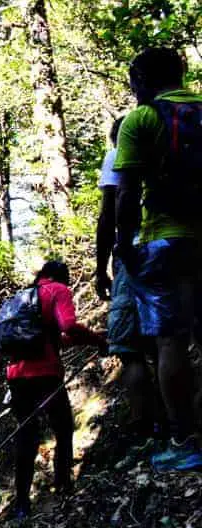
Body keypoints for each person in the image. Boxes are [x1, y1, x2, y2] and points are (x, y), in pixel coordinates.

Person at [113, 46, 202, 471]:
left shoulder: (143, 118)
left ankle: (184, 439)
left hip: (163, 240)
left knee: (170, 341)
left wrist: (124, 246)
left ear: (141, 79)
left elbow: (127, 192)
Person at [6, 261, 107, 519]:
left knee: (26, 435)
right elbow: (69, 326)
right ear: (61, 277)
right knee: (62, 427)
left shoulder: (23, 297)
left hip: (16, 376)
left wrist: (84, 340)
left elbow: (52, 339)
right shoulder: (57, 290)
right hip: (46, 375)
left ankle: (21, 504)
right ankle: (63, 483)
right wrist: (97, 340)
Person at [95, 115, 161, 457]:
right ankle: (180, 419)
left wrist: (101, 266)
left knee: (129, 347)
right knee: (169, 338)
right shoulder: (169, 148)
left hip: (134, 253)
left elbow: (110, 212)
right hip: (175, 244)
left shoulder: (118, 153)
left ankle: (144, 425)